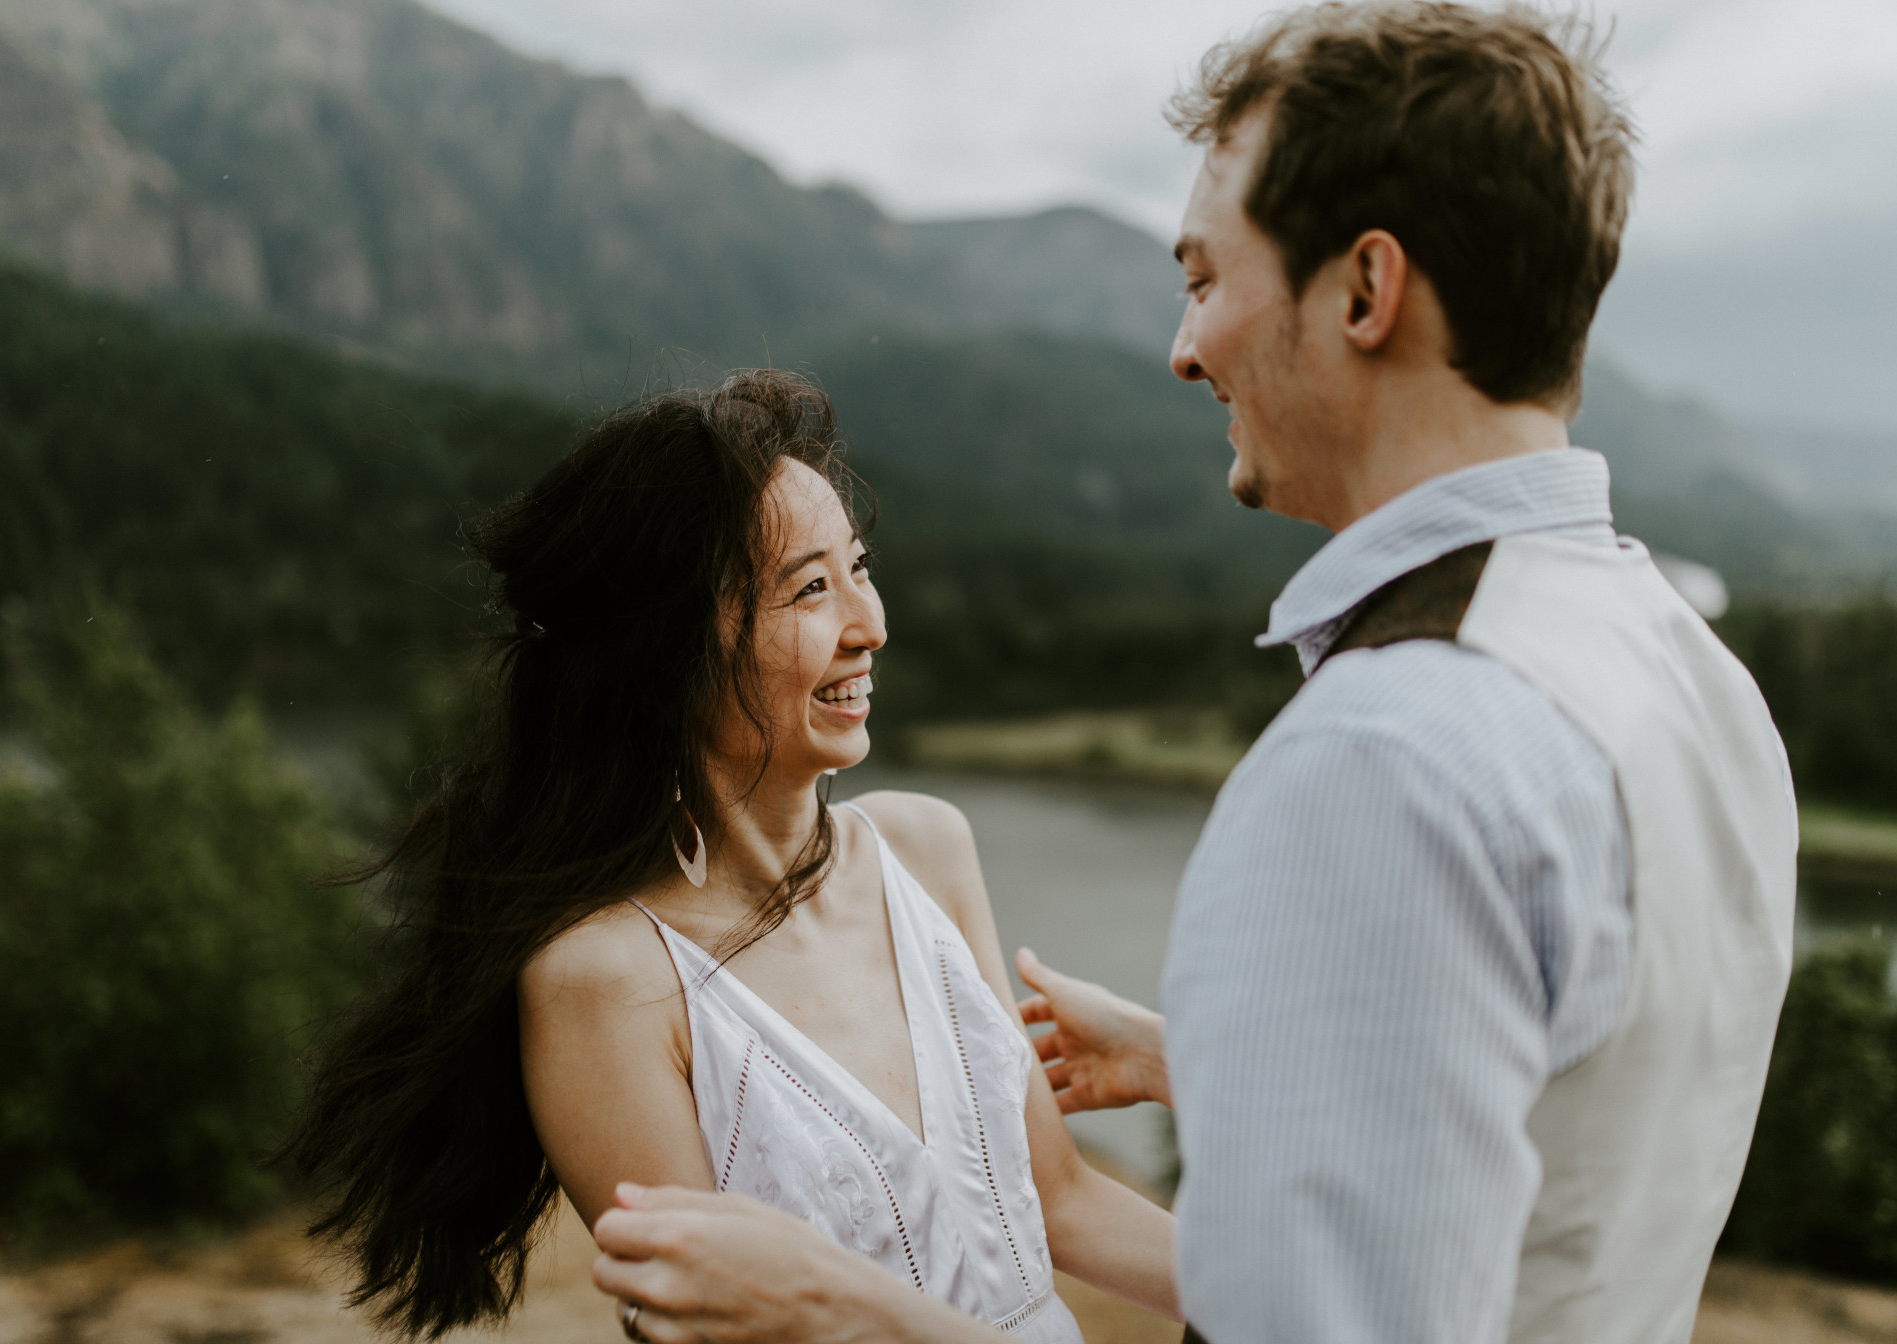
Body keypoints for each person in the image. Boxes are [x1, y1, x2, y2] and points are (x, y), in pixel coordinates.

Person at [589, 5, 1800, 1343]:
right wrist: (1198, 1060)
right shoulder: (1691, 676)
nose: (1185, 348)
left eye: (1206, 279)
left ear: (1364, 290)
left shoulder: (1384, 757)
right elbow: (1576, 1115)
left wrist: (842, 1312)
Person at [283, 371, 1178, 1343]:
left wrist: (1310, 1298)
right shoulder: (609, 981)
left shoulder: (927, 846)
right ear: (666, 656)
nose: (870, 627)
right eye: (809, 589)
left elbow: (1058, 1203)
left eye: (860, 568)